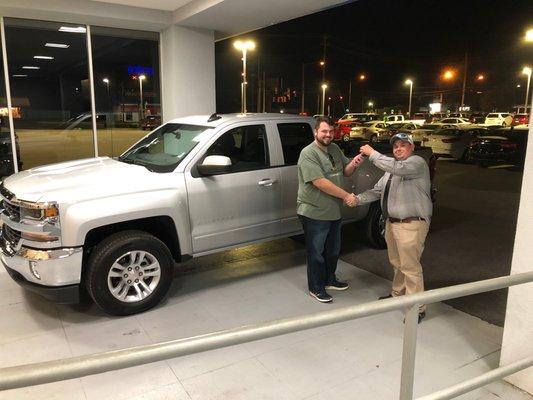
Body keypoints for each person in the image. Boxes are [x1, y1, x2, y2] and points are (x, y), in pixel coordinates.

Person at [355, 133, 432, 322]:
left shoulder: (416, 163)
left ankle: (417, 308)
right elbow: (377, 191)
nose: (398, 148)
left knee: (411, 268)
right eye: (396, 146)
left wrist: (372, 153)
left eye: (403, 145)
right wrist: (357, 199)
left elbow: (397, 167)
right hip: (392, 223)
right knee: (397, 263)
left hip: (411, 223)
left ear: (412, 148)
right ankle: (398, 295)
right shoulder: (391, 171)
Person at [297, 116, 364, 303]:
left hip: (333, 211)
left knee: (333, 250)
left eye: (331, 131)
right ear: (316, 132)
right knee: (316, 253)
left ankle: (329, 280)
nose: (328, 135)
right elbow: (320, 182)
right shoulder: (308, 153)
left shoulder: (334, 148)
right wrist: (346, 196)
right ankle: (316, 288)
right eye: (324, 131)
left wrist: (353, 163)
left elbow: (345, 170)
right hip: (314, 212)